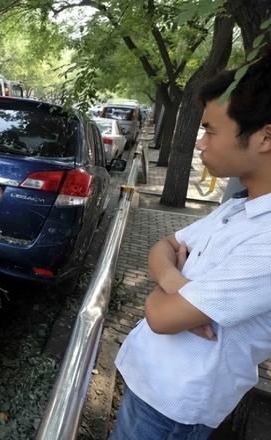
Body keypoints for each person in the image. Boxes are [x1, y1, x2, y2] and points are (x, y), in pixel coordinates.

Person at [110, 49, 271, 440]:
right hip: (152, 386)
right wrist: (177, 283)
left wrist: (162, 289)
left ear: (265, 137)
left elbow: (161, 318)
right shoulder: (238, 209)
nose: (200, 144)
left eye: (210, 131)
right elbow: (162, 245)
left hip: (174, 409)